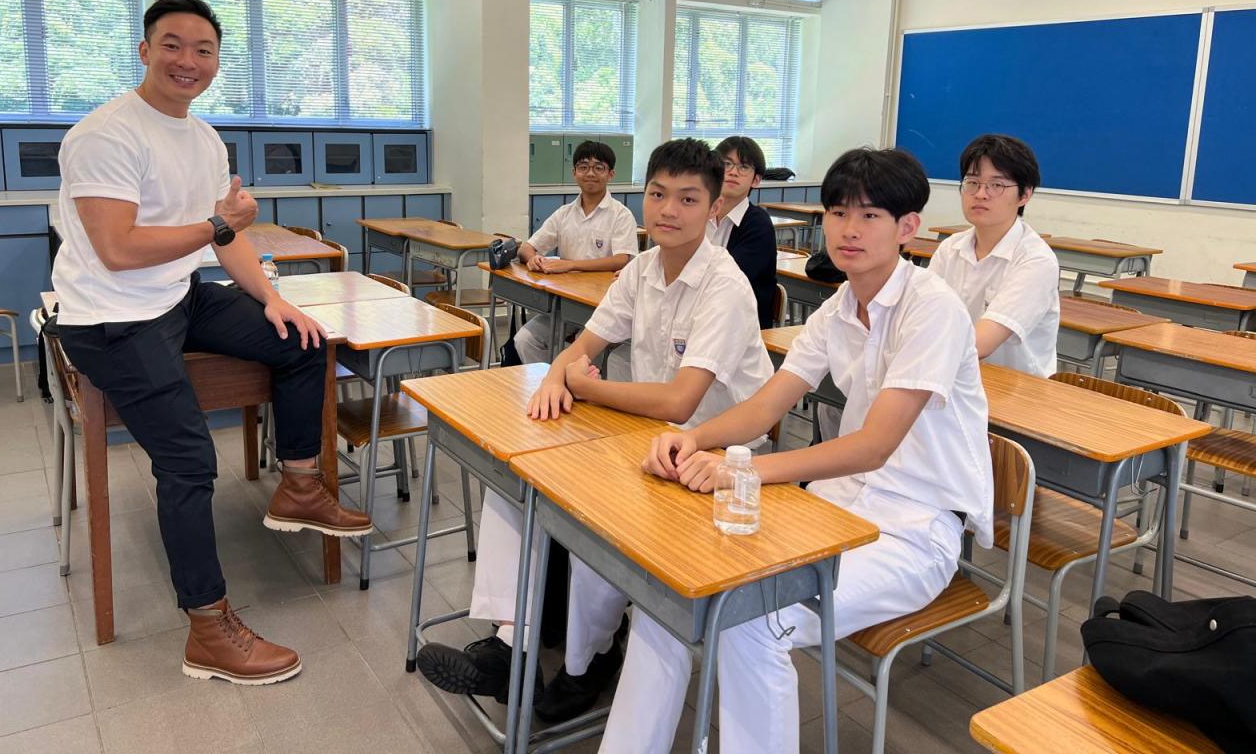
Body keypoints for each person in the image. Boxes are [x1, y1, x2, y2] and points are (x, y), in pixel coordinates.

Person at [599, 147, 993, 753]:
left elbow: (874, 446)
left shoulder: (932, 308)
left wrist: (742, 471)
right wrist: (692, 438)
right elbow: (766, 406)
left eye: (869, 216)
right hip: (834, 508)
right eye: (837, 213)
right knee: (675, 591)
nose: (849, 229)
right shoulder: (838, 309)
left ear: (907, 227)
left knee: (752, 621)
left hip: (914, 529)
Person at [52, 0, 372, 685]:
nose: (187, 61)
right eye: (172, 45)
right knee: (190, 460)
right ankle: (207, 627)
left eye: (203, 50)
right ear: (145, 51)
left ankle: (300, 486)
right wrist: (219, 226)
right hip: (110, 316)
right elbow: (117, 249)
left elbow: (227, 240)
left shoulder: (203, 138)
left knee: (304, 341)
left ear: (217, 62)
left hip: (175, 293)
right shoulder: (104, 135)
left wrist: (273, 298)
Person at [416, 139, 774, 724]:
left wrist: (584, 387)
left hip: (715, 456)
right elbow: (581, 347)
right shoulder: (642, 269)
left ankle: (589, 662)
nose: (669, 209)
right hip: (645, 433)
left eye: (688, 199)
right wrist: (557, 376)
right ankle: (510, 643)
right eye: (658, 193)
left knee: (593, 519)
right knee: (517, 477)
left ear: (714, 209)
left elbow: (681, 400)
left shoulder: (724, 287)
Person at [928, 133, 1059, 377]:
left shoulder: (1036, 260)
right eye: (972, 182)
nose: (980, 194)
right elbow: (924, 316)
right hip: (953, 374)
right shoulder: (950, 248)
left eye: (996, 185)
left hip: (1016, 389)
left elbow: (982, 343)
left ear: (1025, 194)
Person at [503, 140, 638, 365]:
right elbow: (527, 247)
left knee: (580, 353)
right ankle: (550, 383)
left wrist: (571, 265)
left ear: (610, 174)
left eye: (598, 167)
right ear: (574, 172)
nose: (590, 173)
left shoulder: (621, 215)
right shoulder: (564, 213)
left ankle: (569, 380)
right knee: (525, 340)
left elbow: (622, 259)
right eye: (583, 167)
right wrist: (533, 258)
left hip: (602, 307)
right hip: (566, 303)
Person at [710, 136, 778, 329]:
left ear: (756, 180)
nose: (733, 172)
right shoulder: (699, 214)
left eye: (744, 167)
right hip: (700, 314)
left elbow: (728, 281)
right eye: (727, 164)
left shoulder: (759, 225)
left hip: (739, 324)